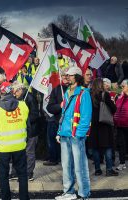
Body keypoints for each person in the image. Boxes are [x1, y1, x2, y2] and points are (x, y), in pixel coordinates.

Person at [0, 81, 30, 200]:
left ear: (1, 93)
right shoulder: (23, 105)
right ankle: (24, 198)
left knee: (3, 175)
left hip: (2, 148)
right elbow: (28, 126)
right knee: (22, 174)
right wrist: (25, 141)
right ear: (12, 91)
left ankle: (6, 198)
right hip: (20, 146)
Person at [55, 67, 92, 200]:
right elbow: (63, 115)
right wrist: (59, 132)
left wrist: (78, 134)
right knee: (66, 166)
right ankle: (69, 192)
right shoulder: (67, 92)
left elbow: (86, 117)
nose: (67, 77)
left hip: (76, 136)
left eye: (70, 75)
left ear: (76, 77)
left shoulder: (84, 93)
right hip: (65, 134)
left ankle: (84, 194)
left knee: (79, 167)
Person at [89, 78, 118, 176]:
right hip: (105, 125)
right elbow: (113, 109)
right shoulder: (104, 94)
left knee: (96, 148)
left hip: (94, 125)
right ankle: (109, 169)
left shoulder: (89, 95)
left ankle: (97, 169)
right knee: (108, 147)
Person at [11, 82, 39, 181]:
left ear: (20, 90)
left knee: (29, 152)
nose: (14, 94)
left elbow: (35, 114)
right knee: (17, 151)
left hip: (31, 130)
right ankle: (15, 172)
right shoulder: (17, 98)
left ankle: (29, 173)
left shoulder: (30, 98)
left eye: (15, 92)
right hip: (20, 130)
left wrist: (23, 119)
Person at [45, 70, 69, 166]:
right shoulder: (57, 89)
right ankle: (56, 159)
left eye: (68, 76)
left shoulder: (78, 90)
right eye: (64, 76)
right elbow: (49, 107)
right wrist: (60, 105)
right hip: (59, 122)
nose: (66, 78)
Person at [114, 79, 128, 171]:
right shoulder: (120, 96)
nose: (122, 87)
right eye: (121, 86)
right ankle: (122, 163)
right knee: (121, 144)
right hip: (120, 124)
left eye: (124, 85)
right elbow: (116, 107)